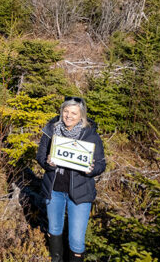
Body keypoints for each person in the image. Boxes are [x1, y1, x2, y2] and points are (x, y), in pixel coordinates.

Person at [36, 97, 106, 262]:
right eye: (66, 111)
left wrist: (91, 170)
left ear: (81, 115)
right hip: (54, 191)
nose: (68, 116)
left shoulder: (90, 135)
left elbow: (101, 165)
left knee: (76, 240)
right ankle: (56, 259)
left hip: (80, 193)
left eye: (73, 113)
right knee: (54, 229)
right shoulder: (51, 130)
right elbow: (40, 155)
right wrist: (48, 163)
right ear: (61, 112)